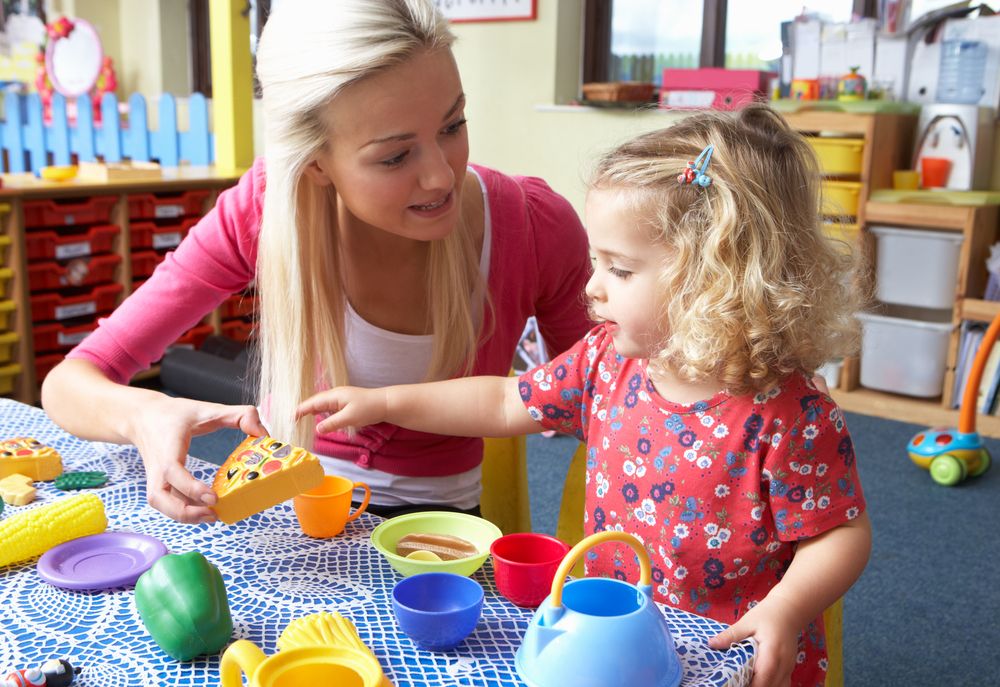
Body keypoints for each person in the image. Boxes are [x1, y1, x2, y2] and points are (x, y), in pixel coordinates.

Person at [296, 106, 872, 687]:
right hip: (610, 638)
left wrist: (787, 608)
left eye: (619, 269)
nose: (591, 287)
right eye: (597, 261)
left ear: (715, 280)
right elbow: (502, 402)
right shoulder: (608, 360)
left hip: (729, 652)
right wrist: (387, 402)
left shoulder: (790, 414)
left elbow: (840, 534)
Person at [40, 0, 591, 524]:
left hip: (437, 530)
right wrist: (146, 415)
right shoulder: (265, 210)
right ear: (316, 164)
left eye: (453, 125)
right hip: (279, 512)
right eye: (395, 155)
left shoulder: (534, 227)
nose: (441, 177)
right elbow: (69, 384)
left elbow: (610, 397)